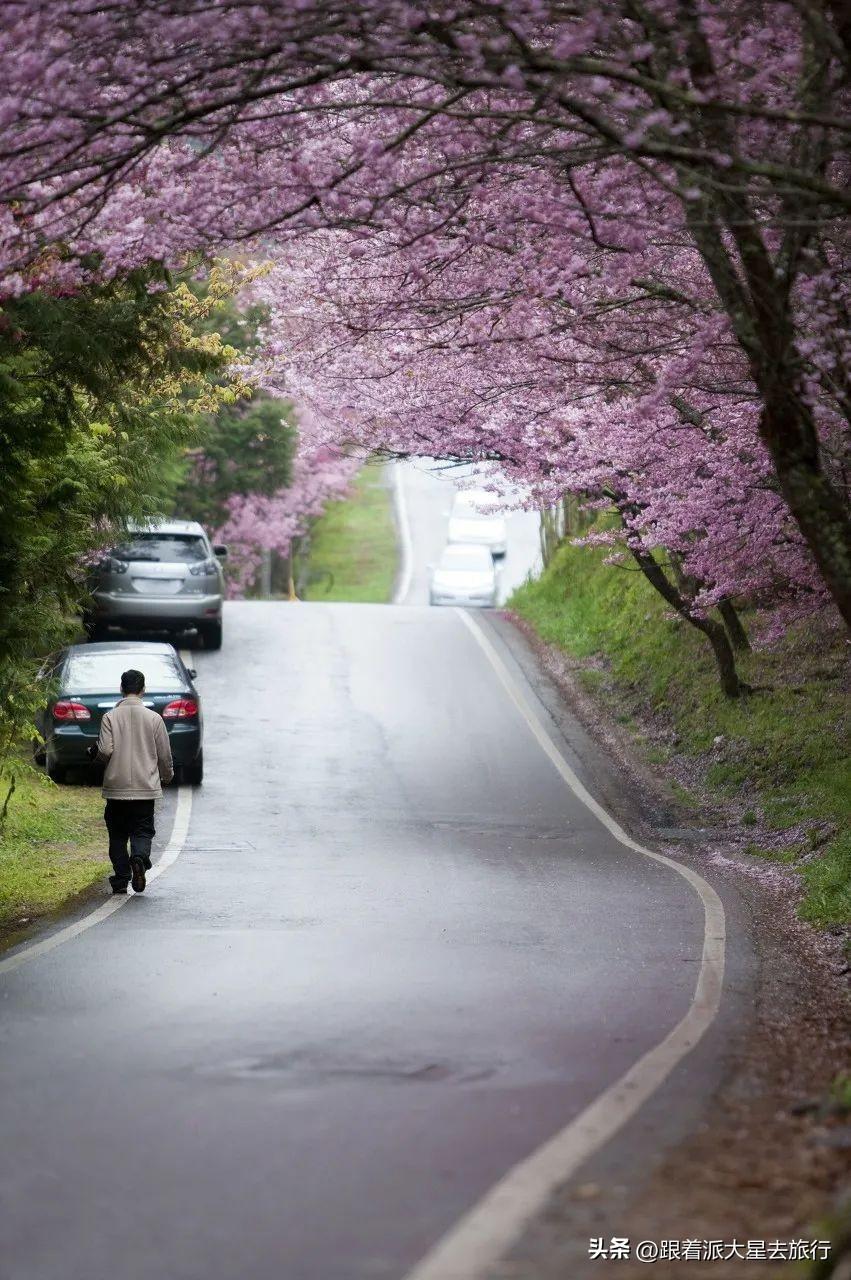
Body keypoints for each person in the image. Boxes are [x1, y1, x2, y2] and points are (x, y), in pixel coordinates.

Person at [90, 668, 174, 894]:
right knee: (142, 830)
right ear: (143, 690)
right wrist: (167, 776)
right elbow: (164, 754)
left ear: (121, 688)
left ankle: (121, 879)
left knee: (117, 834)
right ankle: (138, 858)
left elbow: (105, 750)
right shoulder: (154, 719)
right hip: (145, 788)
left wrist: (96, 756)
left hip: (116, 788)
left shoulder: (110, 717)